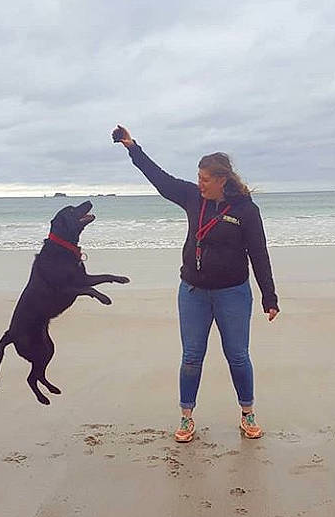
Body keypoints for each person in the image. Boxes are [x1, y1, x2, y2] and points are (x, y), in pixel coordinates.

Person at [112, 124, 279, 443]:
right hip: (193, 292)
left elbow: (259, 253)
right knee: (191, 356)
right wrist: (133, 148)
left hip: (233, 293)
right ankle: (187, 417)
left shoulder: (246, 210)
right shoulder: (192, 197)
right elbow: (160, 180)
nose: (199, 183)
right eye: (198, 178)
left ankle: (247, 413)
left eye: (205, 179)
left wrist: (269, 296)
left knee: (238, 355)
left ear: (222, 180)